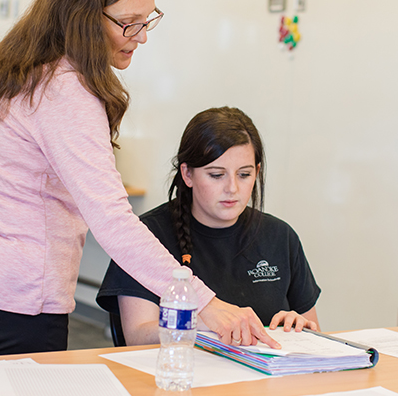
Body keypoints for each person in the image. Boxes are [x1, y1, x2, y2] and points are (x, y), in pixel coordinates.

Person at [0, 0, 279, 357]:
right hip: (19, 297)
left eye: (148, 20)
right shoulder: (64, 90)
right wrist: (204, 303)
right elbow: (112, 222)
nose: (140, 37)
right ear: (84, 17)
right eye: (128, 22)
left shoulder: (28, 68)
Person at [98, 107, 320, 345]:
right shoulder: (148, 236)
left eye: (244, 175)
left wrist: (297, 328)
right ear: (187, 174)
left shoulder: (280, 237)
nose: (232, 188)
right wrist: (202, 320)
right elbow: (137, 336)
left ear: (256, 172)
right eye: (216, 175)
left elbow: (314, 330)